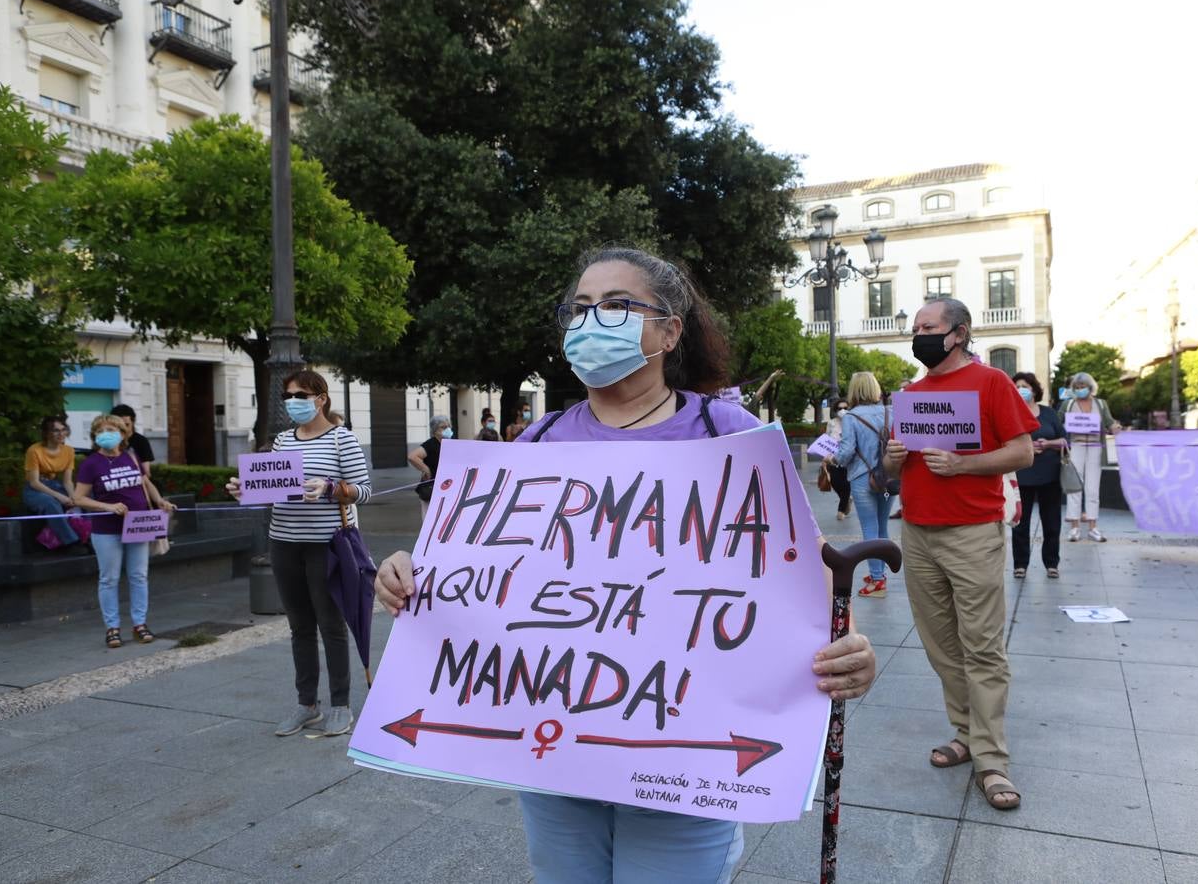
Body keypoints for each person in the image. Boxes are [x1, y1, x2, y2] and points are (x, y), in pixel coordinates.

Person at [373, 246, 877, 883]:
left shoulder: (727, 432)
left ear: (669, 331)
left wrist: (846, 647)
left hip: (684, 763)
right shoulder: (538, 440)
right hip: (553, 752)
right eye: (580, 308)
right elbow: (481, 569)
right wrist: (411, 573)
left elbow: (793, 578)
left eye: (616, 305)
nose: (591, 321)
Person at [881, 297, 1036, 811]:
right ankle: (965, 734)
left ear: (959, 333)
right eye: (915, 326)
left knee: (983, 647)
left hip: (972, 531)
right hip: (918, 534)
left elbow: (1023, 451)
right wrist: (892, 457)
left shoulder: (991, 383)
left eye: (929, 327)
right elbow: (888, 472)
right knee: (941, 645)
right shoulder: (913, 393)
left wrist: (964, 466)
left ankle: (993, 760)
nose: (918, 334)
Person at [225, 370, 371, 737]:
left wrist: (330, 488)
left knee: (331, 625)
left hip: (327, 545)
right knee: (299, 626)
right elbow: (272, 489)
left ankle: (340, 705)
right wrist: (245, 491)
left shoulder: (342, 440)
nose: (293, 402)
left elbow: (365, 490)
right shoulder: (281, 442)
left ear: (321, 398)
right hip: (284, 542)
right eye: (288, 395)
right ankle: (307, 705)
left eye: (301, 395)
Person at [74, 415, 176, 648]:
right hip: (106, 529)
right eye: (100, 430)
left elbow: (145, 482)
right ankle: (112, 628)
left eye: (111, 429)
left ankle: (140, 624)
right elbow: (78, 498)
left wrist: (160, 501)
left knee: (139, 576)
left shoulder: (131, 457)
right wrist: (107, 506)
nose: (105, 433)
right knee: (109, 578)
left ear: (122, 434)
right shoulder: (91, 463)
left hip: (138, 525)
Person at [832, 371, 894, 596]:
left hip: (862, 478)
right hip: (888, 477)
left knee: (870, 528)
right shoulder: (890, 412)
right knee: (882, 526)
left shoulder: (851, 417)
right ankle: (879, 573)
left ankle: (877, 580)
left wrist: (834, 458)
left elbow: (846, 452)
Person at [1010, 372, 1067, 579]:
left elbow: (1064, 440)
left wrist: (1048, 444)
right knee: (1020, 523)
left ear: (1034, 390)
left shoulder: (1049, 413)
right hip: (1023, 475)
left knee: (1051, 522)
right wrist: (1027, 448)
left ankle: (1052, 563)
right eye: (1016, 386)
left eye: (1024, 386)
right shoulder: (1011, 412)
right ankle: (1020, 564)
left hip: (1050, 476)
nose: (1020, 390)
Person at [1058, 372, 1121, 543]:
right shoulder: (1068, 404)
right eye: (1077, 388)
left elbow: (1109, 422)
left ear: (1090, 387)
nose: (1080, 390)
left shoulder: (1100, 404)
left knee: (1093, 489)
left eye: (1082, 387)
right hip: (1075, 447)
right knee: (1074, 486)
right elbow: (1058, 423)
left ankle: (1093, 527)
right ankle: (1074, 528)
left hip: (1095, 449)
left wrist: (1116, 427)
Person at [23, 416, 81, 551]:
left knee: (84, 498)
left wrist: (74, 498)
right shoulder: (34, 450)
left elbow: (67, 481)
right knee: (51, 503)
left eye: (63, 430)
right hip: (35, 489)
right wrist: (60, 496)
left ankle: (87, 536)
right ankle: (71, 542)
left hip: (55, 485)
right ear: (46, 433)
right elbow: (34, 482)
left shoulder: (69, 451)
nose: (61, 434)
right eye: (55, 431)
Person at [408, 415, 452, 501]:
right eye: (443, 427)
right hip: (431, 488)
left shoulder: (448, 443)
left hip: (445, 487)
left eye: (448, 426)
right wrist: (426, 469)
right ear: (435, 430)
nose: (447, 429)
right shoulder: (430, 444)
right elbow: (412, 456)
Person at [824, 398, 852, 521]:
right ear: (835, 410)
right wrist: (825, 457)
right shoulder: (831, 423)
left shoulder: (852, 422)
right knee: (835, 483)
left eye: (845, 408)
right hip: (832, 459)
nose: (842, 410)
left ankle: (841, 511)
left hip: (848, 460)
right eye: (840, 408)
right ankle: (847, 500)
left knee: (846, 485)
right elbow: (826, 440)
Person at [109, 405, 154, 479]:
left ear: (133, 422)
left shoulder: (141, 441)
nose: (123, 429)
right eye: (119, 425)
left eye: (126, 425)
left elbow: (146, 472)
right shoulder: (108, 440)